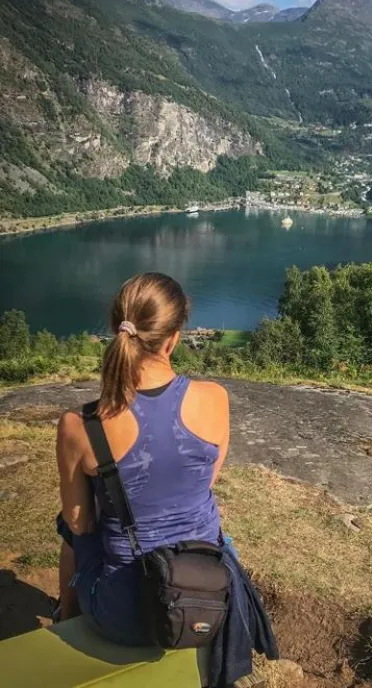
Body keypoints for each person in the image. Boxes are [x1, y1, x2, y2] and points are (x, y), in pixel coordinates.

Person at [55, 272, 230, 646]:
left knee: (71, 524)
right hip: (204, 598)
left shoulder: (80, 426)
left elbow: (79, 522)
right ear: (173, 339)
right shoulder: (215, 398)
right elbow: (205, 482)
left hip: (123, 616)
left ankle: (66, 617)